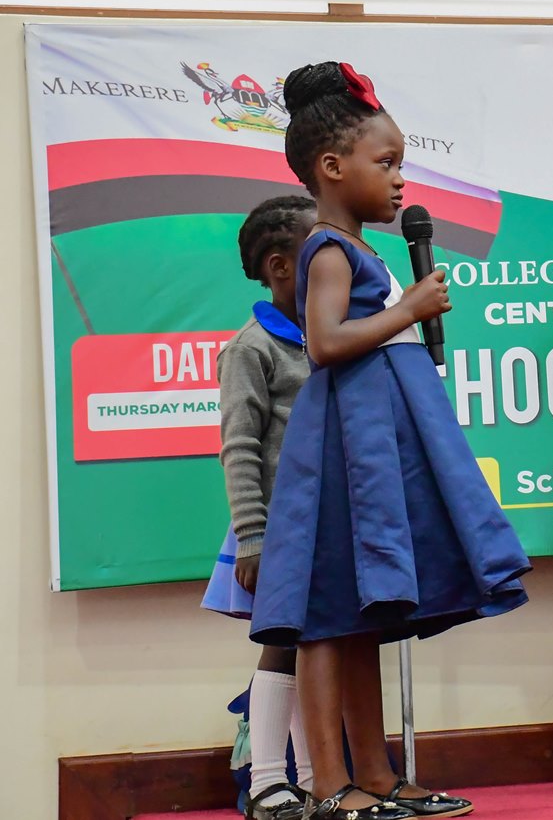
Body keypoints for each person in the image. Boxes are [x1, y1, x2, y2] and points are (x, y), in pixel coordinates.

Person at [249, 61, 530, 819]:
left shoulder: (359, 247)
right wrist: (407, 308)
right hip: (341, 452)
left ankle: (377, 774)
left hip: (375, 452)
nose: (400, 180)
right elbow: (326, 342)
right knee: (323, 618)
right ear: (333, 168)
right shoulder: (329, 250)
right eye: (388, 163)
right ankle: (328, 783)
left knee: (365, 617)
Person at [200, 194, 317, 820]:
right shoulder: (251, 349)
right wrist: (252, 537)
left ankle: (320, 779)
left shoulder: (331, 333)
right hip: (280, 528)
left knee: (323, 644)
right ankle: (271, 783)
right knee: (284, 643)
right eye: (316, 249)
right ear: (279, 266)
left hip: (330, 523)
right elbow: (238, 446)